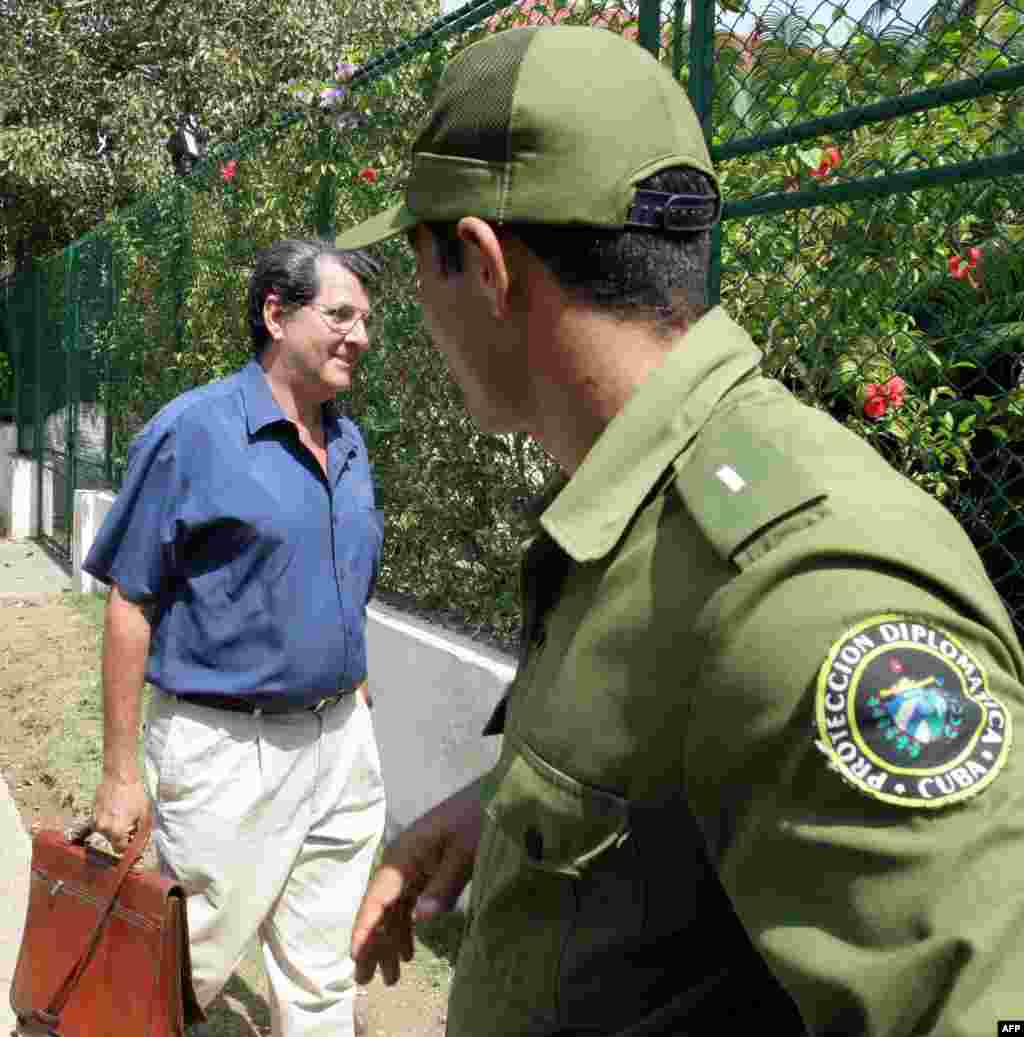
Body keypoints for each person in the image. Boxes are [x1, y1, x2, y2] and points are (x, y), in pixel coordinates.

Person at [333, 25, 1024, 1037]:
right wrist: (509, 808)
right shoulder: (648, 501)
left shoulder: (799, 582)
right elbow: (686, 760)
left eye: (416, 265)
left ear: (481, 264)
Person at [84, 238, 387, 1037]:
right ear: (276, 314)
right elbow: (130, 601)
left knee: (323, 976)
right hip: (226, 753)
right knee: (179, 969)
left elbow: (342, 573)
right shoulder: (192, 433)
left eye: (367, 319)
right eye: (341, 314)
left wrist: (352, 693)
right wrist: (120, 773)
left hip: (340, 745)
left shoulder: (350, 441)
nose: (361, 335)